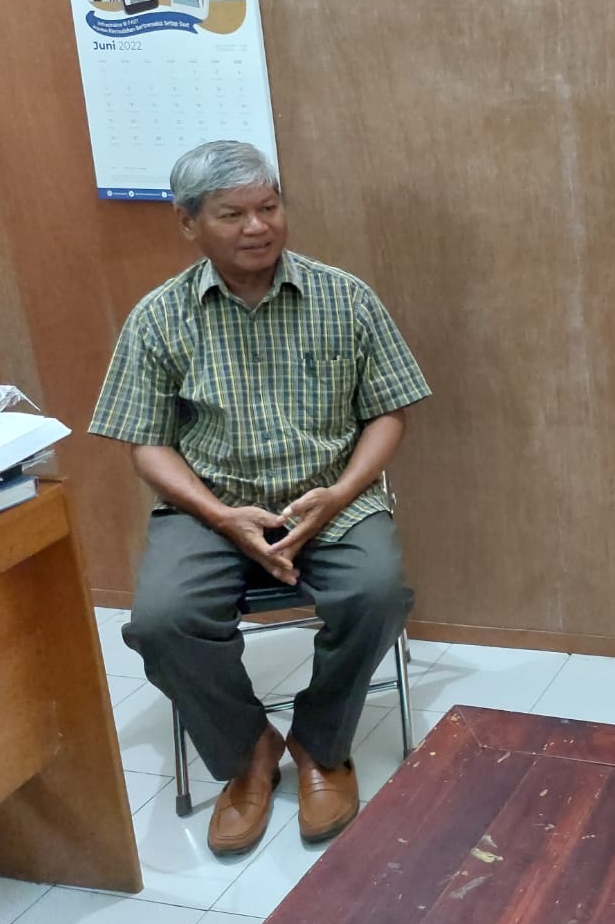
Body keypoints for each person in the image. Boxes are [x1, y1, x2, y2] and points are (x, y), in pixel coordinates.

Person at [90, 140, 430, 856]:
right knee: (162, 621)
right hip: (210, 509)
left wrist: (340, 494)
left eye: (269, 207)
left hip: (330, 500)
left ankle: (320, 744)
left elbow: (390, 412)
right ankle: (247, 752)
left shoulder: (345, 297)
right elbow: (146, 443)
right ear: (189, 223)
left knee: (376, 594)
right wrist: (220, 516)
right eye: (232, 213)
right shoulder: (158, 318)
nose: (257, 226)